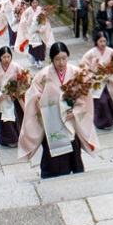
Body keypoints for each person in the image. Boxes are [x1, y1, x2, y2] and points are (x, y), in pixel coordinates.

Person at [18, 42, 100, 178]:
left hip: (69, 117)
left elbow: (84, 96)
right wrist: (39, 100)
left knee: (71, 142)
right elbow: (33, 94)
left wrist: (76, 112)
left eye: (64, 58)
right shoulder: (43, 75)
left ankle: (74, 168)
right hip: (51, 118)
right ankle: (51, 172)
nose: (61, 62)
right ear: (52, 59)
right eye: (57, 59)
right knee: (52, 145)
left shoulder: (76, 73)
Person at [0, 47, 27, 148]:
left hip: (13, 97)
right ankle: (8, 139)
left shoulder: (16, 67)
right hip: (1, 98)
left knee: (16, 117)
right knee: (5, 120)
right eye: (4, 57)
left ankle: (18, 136)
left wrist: (17, 90)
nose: (6, 59)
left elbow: (24, 79)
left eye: (8, 57)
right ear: (0, 57)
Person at [81, 31, 113, 129]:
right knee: (102, 101)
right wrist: (92, 76)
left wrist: (112, 77)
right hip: (96, 81)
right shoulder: (91, 53)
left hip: (107, 80)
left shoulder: (111, 52)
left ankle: (108, 119)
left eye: (104, 41)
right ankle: (102, 122)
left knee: (106, 99)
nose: (103, 44)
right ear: (96, 41)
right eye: (101, 41)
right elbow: (84, 66)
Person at [15, 0, 54, 68]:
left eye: (36, 2)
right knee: (32, 46)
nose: (35, 4)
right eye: (33, 3)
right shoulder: (28, 11)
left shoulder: (41, 10)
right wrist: (27, 28)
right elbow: (24, 20)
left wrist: (41, 29)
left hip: (39, 32)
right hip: (30, 31)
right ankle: (34, 57)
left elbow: (44, 22)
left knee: (40, 47)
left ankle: (37, 60)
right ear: (31, 3)